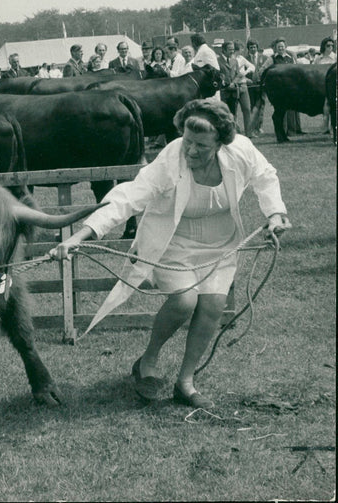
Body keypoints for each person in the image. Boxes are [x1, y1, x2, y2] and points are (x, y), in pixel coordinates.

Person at [50, 99, 290, 409]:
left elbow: (266, 176)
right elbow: (128, 197)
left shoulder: (241, 150)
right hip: (173, 240)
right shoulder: (171, 157)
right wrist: (82, 235)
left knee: (213, 305)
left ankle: (185, 382)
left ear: (221, 142)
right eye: (187, 141)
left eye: (201, 145)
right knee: (183, 301)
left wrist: (275, 213)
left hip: (219, 243)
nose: (191, 150)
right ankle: (147, 362)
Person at [259, 38, 296, 143]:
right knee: (280, 111)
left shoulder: (290, 58)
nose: (281, 48)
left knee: (289, 110)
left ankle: (290, 131)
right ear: (275, 48)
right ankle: (280, 134)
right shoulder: (271, 59)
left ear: (286, 47)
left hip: (290, 88)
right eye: (279, 47)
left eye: (282, 46)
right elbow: (262, 70)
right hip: (278, 89)